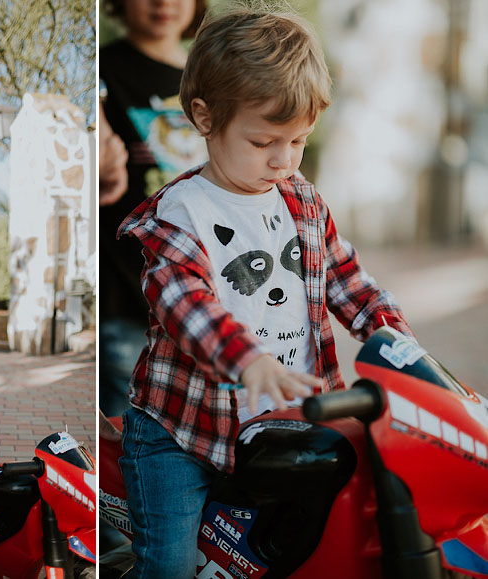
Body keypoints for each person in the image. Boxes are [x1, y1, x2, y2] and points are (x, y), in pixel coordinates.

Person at [114, 6, 414, 577]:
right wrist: (246, 359)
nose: (283, 160)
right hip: (185, 437)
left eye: (298, 141)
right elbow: (186, 307)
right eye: (263, 141)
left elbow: (347, 280)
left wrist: (400, 345)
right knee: (170, 565)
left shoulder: (300, 198)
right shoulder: (179, 217)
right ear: (205, 118)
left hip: (288, 421)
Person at [99, 0, 207, 423]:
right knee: (133, 433)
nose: (164, 3)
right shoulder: (103, 72)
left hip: (204, 298)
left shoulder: (213, 75)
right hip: (129, 295)